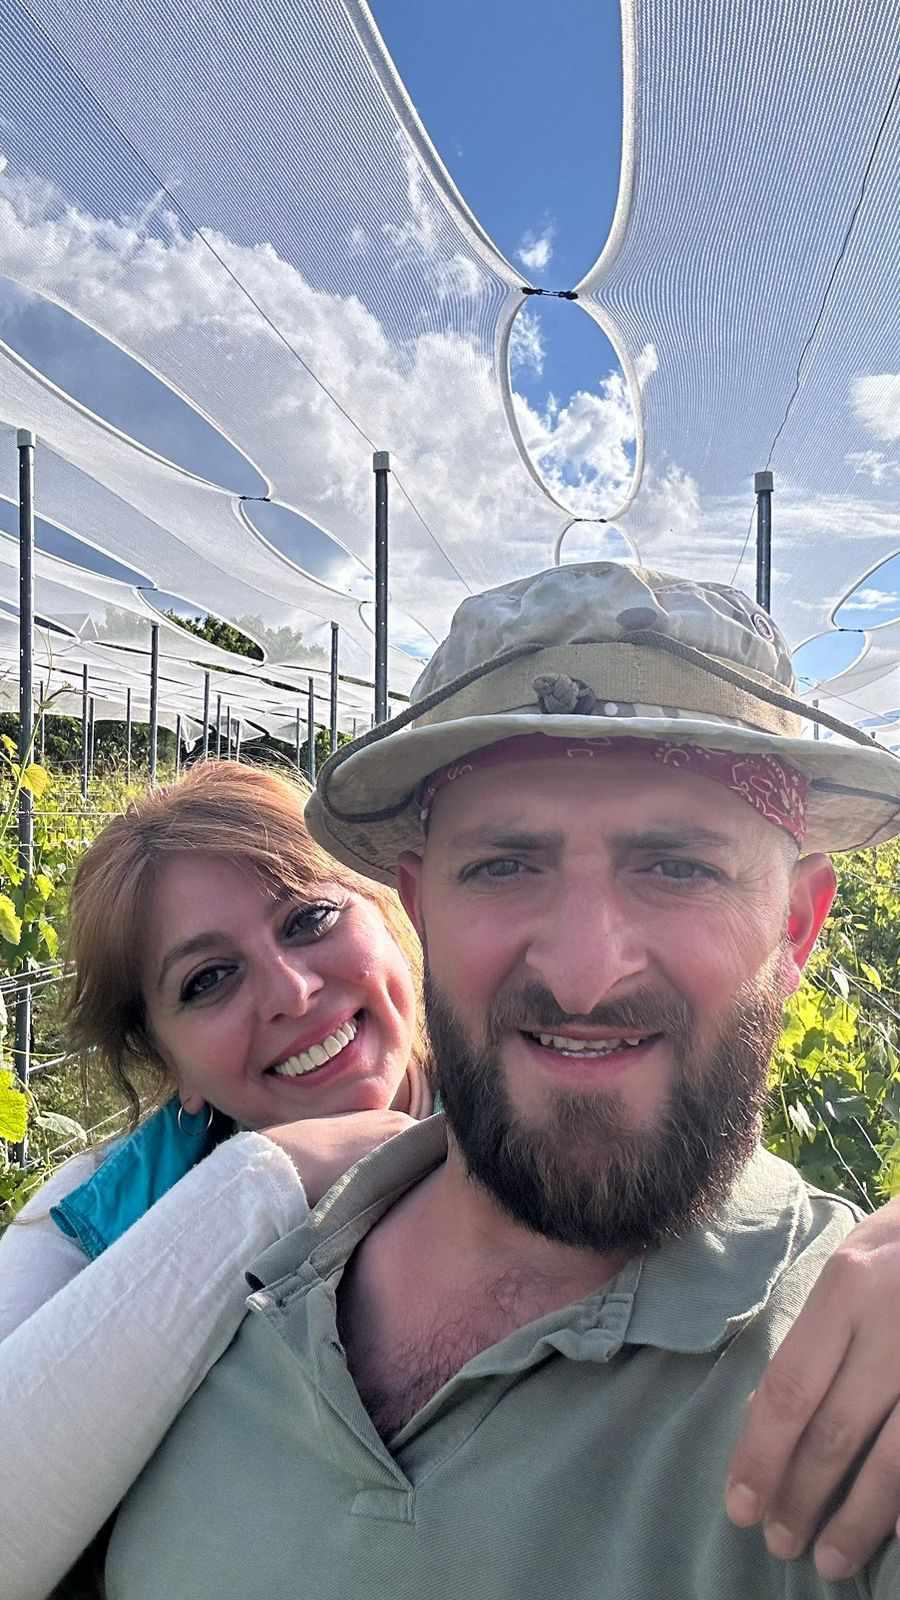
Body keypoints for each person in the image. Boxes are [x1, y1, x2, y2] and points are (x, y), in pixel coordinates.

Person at [104, 563, 900, 1598]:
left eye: (677, 866)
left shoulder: (856, 1394)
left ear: (794, 924)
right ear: (420, 905)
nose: (582, 973)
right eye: (505, 865)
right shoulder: (197, 1291)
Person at [0, 762, 431, 1600]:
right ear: (169, 1064)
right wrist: (260, 1183)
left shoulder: (529, 1123)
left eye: (310, 918)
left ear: (389, 913)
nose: (292, 992)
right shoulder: (101, 1209)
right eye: (208, 980)